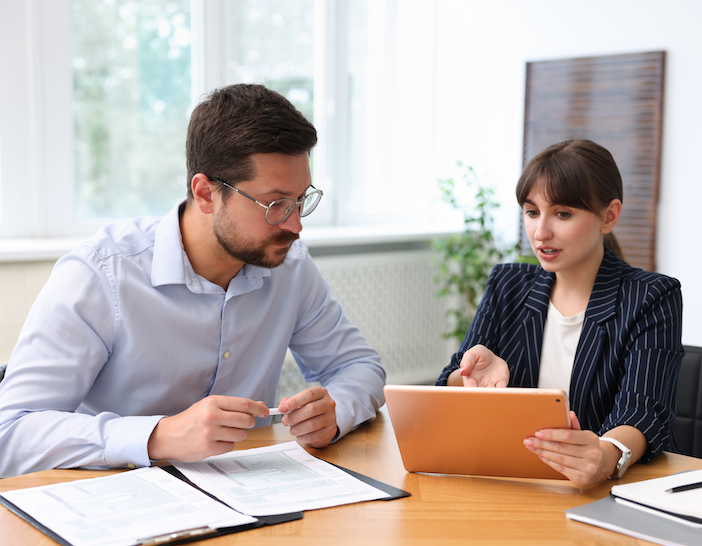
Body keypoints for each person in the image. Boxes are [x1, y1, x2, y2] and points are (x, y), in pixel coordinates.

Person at [0, 84, 386, 479]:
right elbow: (9, 435)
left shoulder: (290, 267)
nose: (296, 224)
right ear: (205, 193)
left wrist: (336, 409)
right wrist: (158, 436)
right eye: (275, 204)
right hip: (112, 498)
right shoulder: (101, 275)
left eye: (302, 200)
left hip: (248, 494)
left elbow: (359, 366)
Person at [436, 139, 683, 489]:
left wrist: (606, 454)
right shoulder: (508, 285)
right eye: (532, 212)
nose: (541, 233)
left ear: (608, 216)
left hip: (608, 490)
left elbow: (644, 410)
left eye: (563, 214)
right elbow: (450, 384)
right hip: (514, 481)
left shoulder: (651, 296)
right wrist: (467, 376)